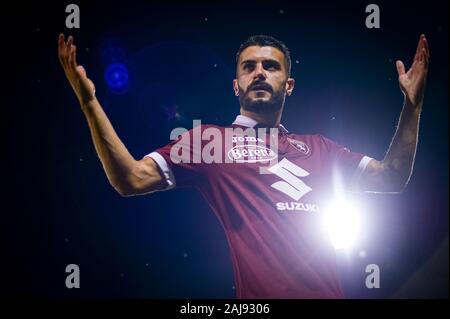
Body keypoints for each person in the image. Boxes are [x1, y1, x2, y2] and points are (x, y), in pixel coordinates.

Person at [58, 34, 429, 298]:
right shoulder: (209, 142)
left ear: (290, 84)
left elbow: (392, 177)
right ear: (236, 86)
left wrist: (412, 106)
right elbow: (130, 178)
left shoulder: (321, 149)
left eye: (271, 66)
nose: (260, 73)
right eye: (249, 67)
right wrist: (89, 102)